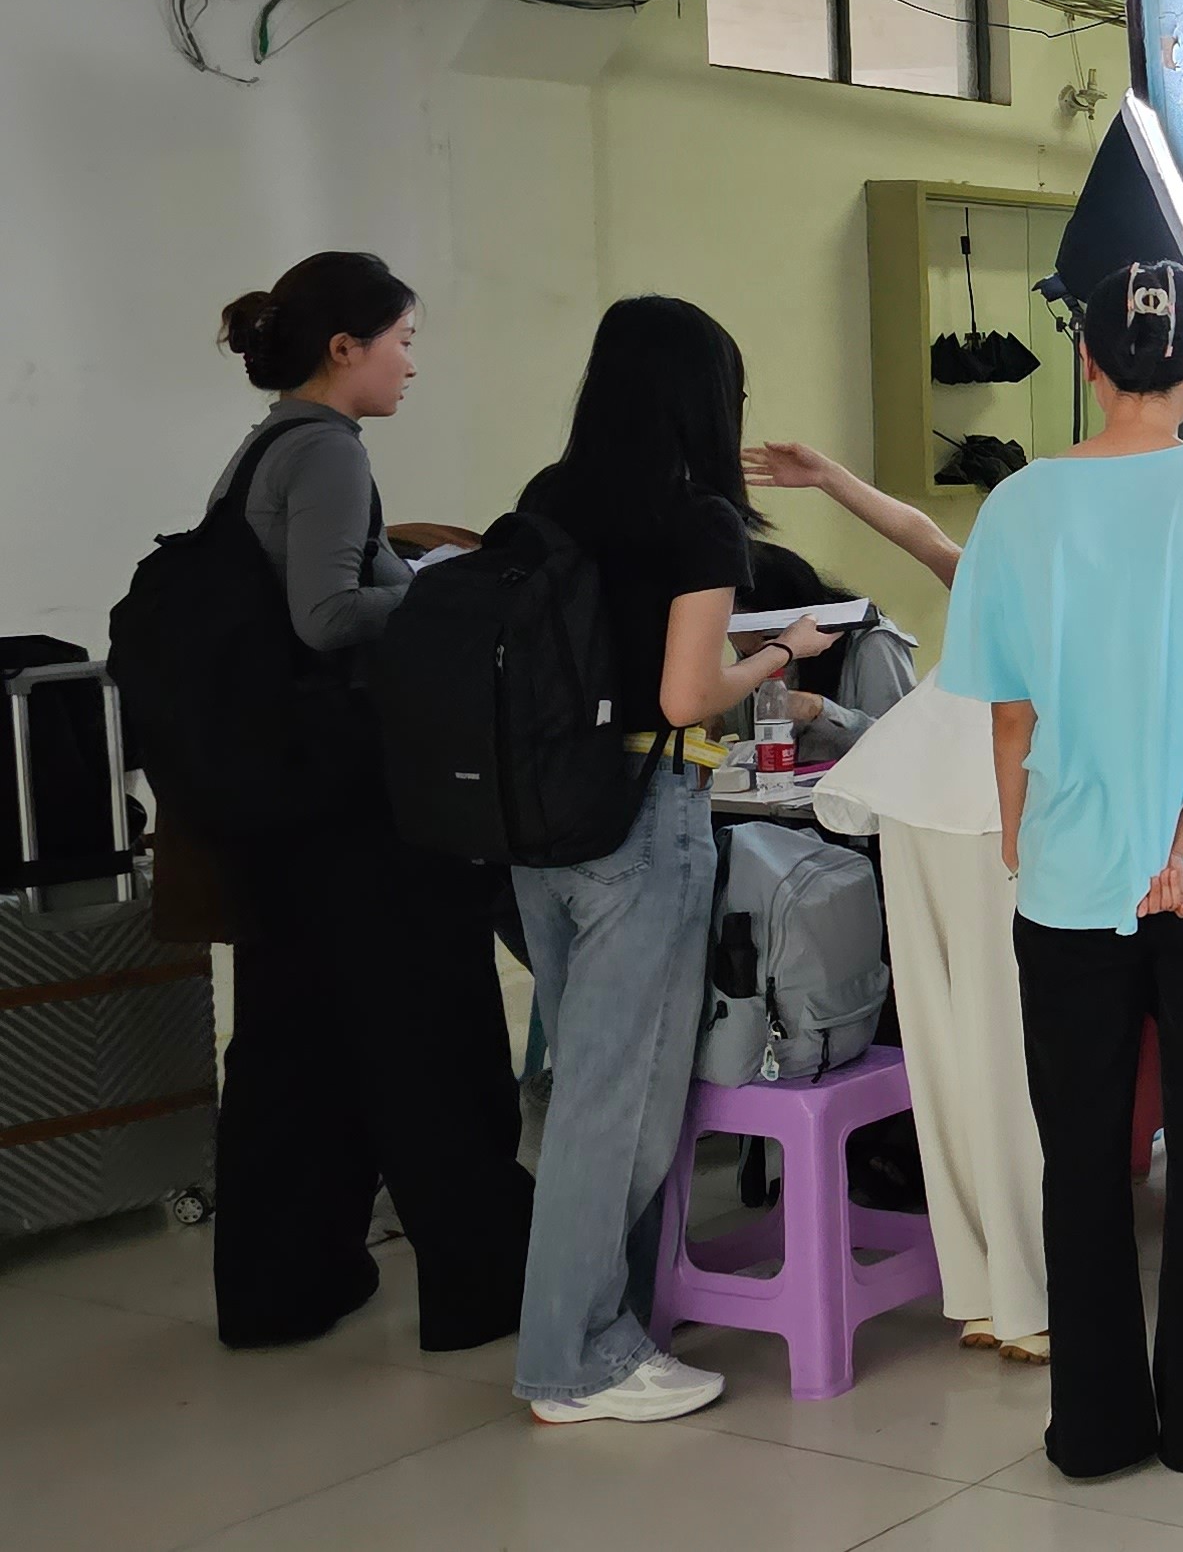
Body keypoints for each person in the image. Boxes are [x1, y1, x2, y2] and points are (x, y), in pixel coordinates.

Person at [938, 261, 1183, 1476]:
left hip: (1068, 870)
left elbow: (1010, 714)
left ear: (1088, 362)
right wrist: (1182, 830)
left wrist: (1023, 832)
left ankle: (1094, 1424)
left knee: (1083, 1148)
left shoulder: (1015, 508)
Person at [197, 252, 535, 1354]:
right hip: (361, 805)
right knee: (432, 1036)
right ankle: (484, 1283)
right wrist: (448, 594)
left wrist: (398, 560)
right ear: (346, 348)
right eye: (403, 342)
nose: (410, 366)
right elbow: (328, 615)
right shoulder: (329, 450)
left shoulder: (265, 448)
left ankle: (281, 1285)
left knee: (294, 1049)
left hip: (284, 808)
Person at [509, 296, 837, 1424]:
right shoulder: (698, 522)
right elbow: (688, 695)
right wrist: (782, 649)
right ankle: (575, 1358)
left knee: (582, 1086)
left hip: (540, 817)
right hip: (643, 812)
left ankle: (607, 1318)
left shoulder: (548, 498)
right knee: (622, 1102)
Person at [757, 441, 1058, 1360]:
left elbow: (922, 535)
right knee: (1010, 1058)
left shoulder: (997, 574)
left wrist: (831, 478)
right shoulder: (1072, 592)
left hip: (919, 799)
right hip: (997, 812)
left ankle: (983, 1292)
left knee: (946, 1051)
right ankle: (1028, 1296)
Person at [728, 539, 918, 763]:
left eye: (767, 644)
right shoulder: (754, 643)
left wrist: (819, 710)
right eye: (747, 655)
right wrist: (716, 715)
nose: (764, 659)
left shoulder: (873, 643)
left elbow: (902, 744)